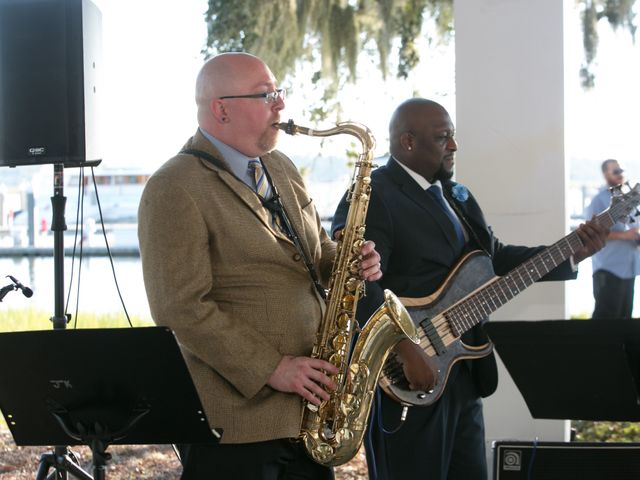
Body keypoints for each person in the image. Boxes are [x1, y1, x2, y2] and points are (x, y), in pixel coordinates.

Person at [332, 98, 608, 480]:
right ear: (408, 142)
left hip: (463, 372)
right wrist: (404, 346)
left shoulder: (455, 196)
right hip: (405, 377)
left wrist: (573, 251)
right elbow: (356, 281)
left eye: (453, 136)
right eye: (444, 137)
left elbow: (493, 259)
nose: (454, 146)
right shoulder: (373, 194)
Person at [137, 52, 382, 480]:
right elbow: (180, 307)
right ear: (221, 108)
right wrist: (272, 369)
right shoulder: (173, 186)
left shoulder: (281, 168)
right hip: (237, 427)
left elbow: (314, 251)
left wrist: (345, 262)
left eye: (278, 92)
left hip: (309, 413)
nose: (281, 105)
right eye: (265, 95)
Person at [585, 159, 640, 320]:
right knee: (606, 323)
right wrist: (625, 236)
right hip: (608, 269)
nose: (620, 174)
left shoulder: (631, 198)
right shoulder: (599, 201)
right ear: (605, 174)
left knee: (625, 321)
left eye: (621, 170)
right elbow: (591, 233)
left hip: (629, 268)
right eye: (615, 171)